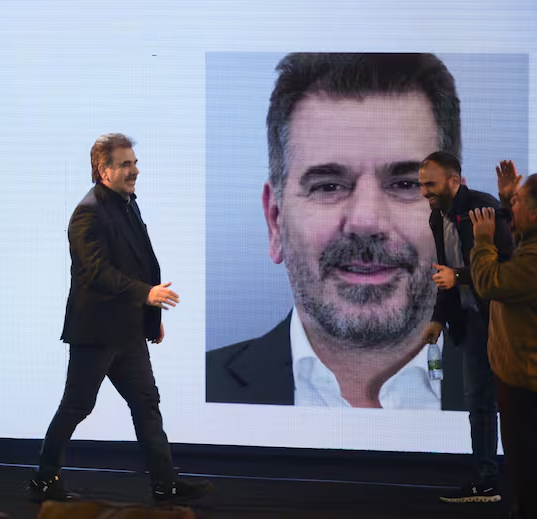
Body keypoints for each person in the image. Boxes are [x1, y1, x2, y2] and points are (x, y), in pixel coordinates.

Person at [207, 53, 466, 410]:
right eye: (328, 186)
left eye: (406, 184)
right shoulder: (191, 392)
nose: (366, 221)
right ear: (275, 221)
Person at [26, 133, 212, 504]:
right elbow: (97, 273)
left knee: (146, 403)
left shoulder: (127, 204)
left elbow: (138, 263)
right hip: (96, 332)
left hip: (128, 331)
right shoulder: (88, 212)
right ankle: (44, 479)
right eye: (126, 164)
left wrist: (150, 314)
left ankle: (165, 484)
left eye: (135, 163)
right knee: (77, 406)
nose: (135, 170)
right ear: (103, 170)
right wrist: (146, 295)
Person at [417, 151, 513, 503]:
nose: (424, 191)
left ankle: (500, 479)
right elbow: (446, 272)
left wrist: (457, 276)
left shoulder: (483, 208)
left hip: (503, 319)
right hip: (470, 320)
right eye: (421, 184)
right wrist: (437, 319)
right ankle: (486, 480)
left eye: (430, 184)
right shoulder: (436, 215)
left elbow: (506, 266)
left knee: (504, 401)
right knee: (479, 401)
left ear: (454, 181)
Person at [469, 165, 537, 519]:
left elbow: (489, 283)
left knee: (524, 460)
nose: (511, 208)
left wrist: (482, 240)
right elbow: (522, 241)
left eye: (520, 201)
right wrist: (510, 198)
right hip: (517, 373)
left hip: (524, 380)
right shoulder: (531, 245)